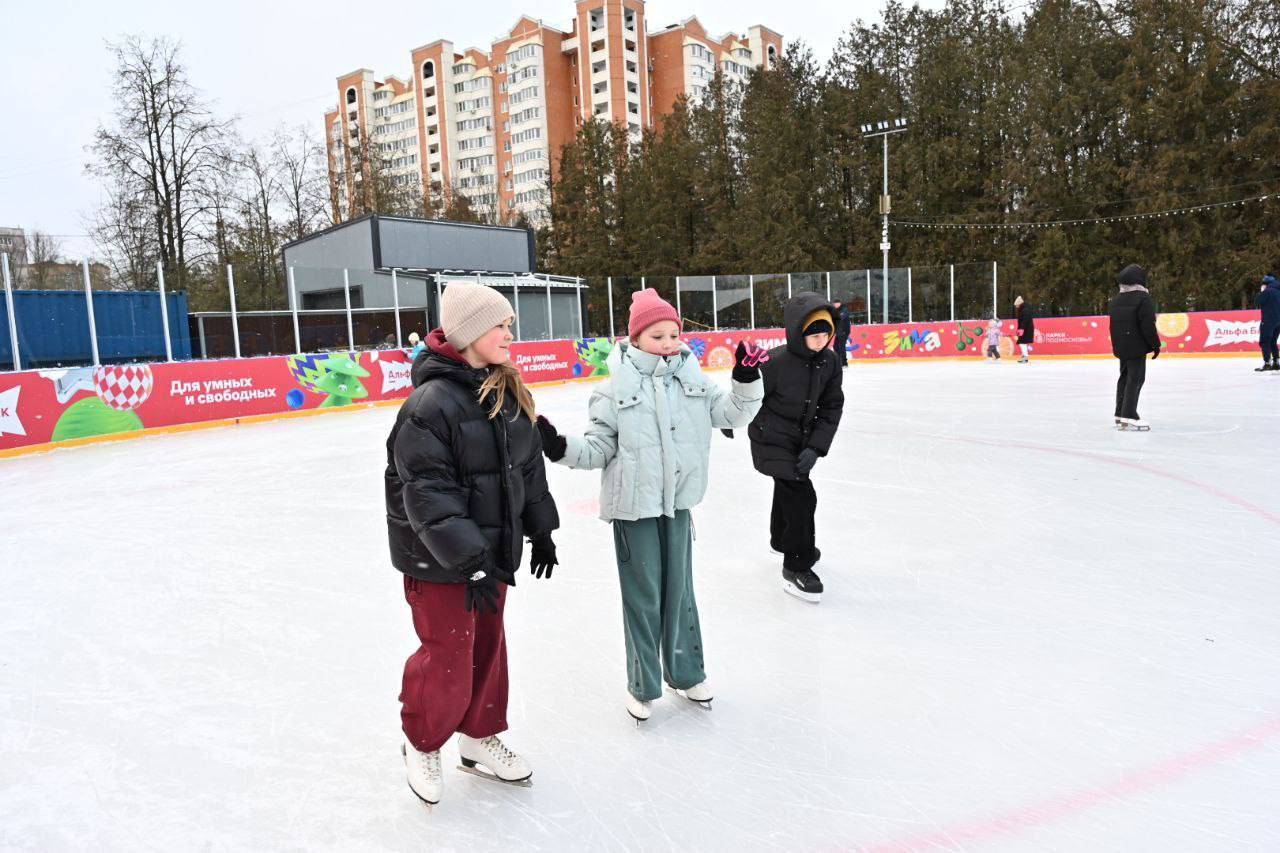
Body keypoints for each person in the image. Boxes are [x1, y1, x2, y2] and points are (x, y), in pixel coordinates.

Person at [534, 289, 765, 723]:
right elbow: (599, 448)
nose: (669, 342)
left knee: (681, 591)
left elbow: (734, 414)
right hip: (633, 509)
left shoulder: (693, 380)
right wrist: (559, 446)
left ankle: (687, 673)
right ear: (635, 338)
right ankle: (642, 683)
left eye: (674, 333)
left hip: (677, 504)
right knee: (643, 598)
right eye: (657, 335)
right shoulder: (612, 389)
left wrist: (747, 380)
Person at [385, 285, 560, 805]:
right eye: (499, 325)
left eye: (510, 325)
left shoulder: (506, 392)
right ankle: (422, 740)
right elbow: (427, 494)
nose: (510, 334)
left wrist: (541, 528)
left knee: (487, 648)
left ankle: (479, 736)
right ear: (466, 333)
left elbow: (528, 469)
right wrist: (470, 561)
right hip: (440, 559)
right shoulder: (430, 404)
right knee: (449, 654)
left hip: (490, 551)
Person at [747, 293, 845, 603]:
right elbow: (748, 393)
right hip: (770, 436)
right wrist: (729, 417)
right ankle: (796, 566)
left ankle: (782, 539)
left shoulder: (829, 362)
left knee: (789, 488)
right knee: (802, 497)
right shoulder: (775, 362)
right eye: (813, 335)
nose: (820, 341)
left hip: (801, 440)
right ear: (796, 332)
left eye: (824, 334)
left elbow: (831, 407)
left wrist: (816, 447)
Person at [1108, 264, 1161, 430]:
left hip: (1122, 346)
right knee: (1135, 379)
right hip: (1136, 346)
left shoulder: (1116, 299)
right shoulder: (1143, 298)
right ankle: (1129, 414)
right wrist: (1155, 345)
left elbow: (1113, 326)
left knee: (1124, 378)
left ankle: (1119, 413)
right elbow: (1147, 325)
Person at [1255, 274, 1279, 372]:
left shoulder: (1267, 291)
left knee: (1265, 342)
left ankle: (1267, 363)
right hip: (1279, 321)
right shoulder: (1278, 290)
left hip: (1268, 320)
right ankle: (1276, 362)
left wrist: (1262, 292)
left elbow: (1257, 302)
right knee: (1273, 342)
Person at [1014, 296, 1035, 362]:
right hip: (1025, 329)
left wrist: (1021, 329)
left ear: (1019, 304)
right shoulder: (1023, 309)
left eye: (1017, 305)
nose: (1016, 307)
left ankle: (1025, 356)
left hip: (1026, 329)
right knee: (1023, 342)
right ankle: (1024, 356)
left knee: (1022, 342)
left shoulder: (1025, 310)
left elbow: (1025, 320)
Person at [832, 299, 852, 366]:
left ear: (840, 303)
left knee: (841, 347)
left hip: (844, 331)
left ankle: (844, 363)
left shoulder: (844, 309)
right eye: (834, 304)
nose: (835, 305)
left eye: (836, 303)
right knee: (835, 346)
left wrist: (834, 317)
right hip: (839, 331)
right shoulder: (836, 310)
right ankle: (838, 361)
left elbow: (841, 317)